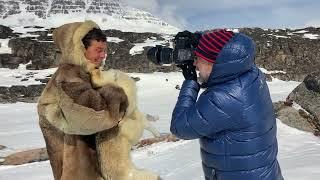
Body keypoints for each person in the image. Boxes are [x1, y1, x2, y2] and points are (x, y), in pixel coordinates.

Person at [170, 30, 284, 180]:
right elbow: (224, 46)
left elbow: (180, 126)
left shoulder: (223, 98)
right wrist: (198, 37)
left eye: (199, 59)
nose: (195, 63)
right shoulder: (251, 74)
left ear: (215, 64)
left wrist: (190, 82)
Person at [37, 20, 128, 180]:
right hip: (77, 171)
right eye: (98, 50)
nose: (103, 55)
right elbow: (90, 119)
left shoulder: (87, 76)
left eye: (105, 51)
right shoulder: (69, 76)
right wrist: (116, 96)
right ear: (79, 49)